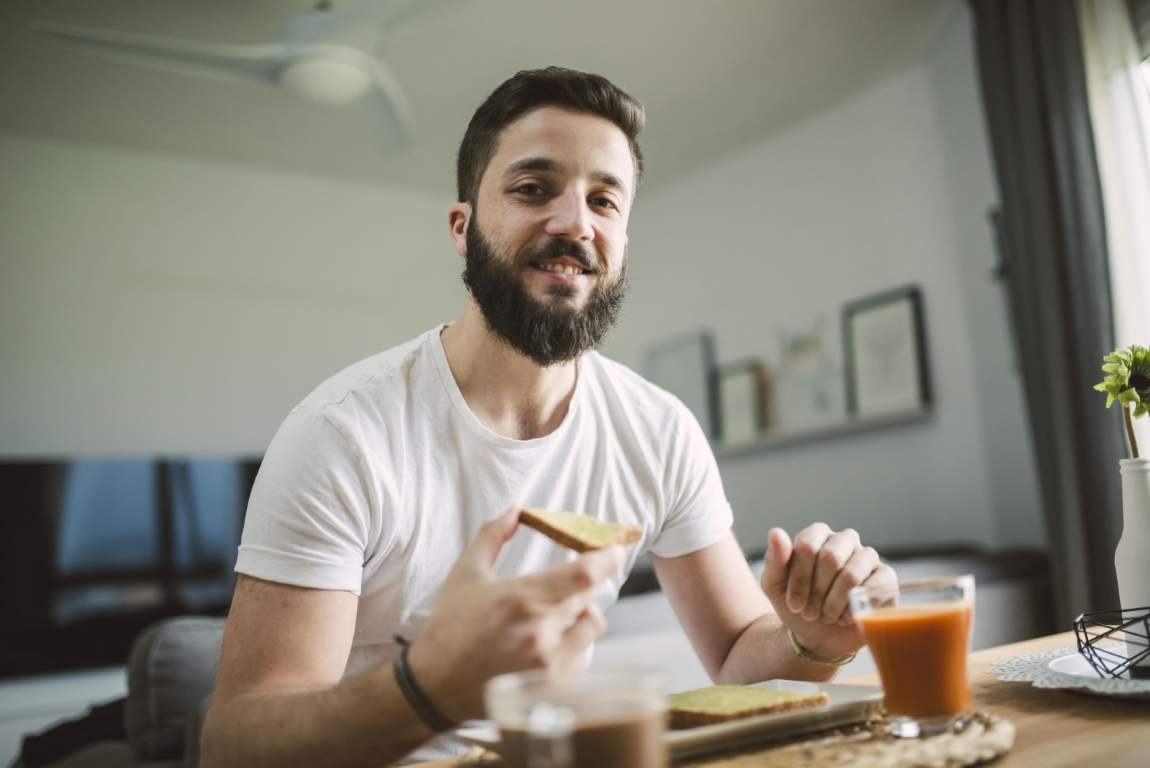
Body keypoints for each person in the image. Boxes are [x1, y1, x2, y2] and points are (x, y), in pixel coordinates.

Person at [200, 66, 896, 768]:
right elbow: (234, 747)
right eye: (533, 189)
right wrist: (430, 685)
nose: (574, 224)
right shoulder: (342, 435)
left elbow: (739, 653)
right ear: (462, 226)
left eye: (604, 200)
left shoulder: (658, 432)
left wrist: (815, 640)